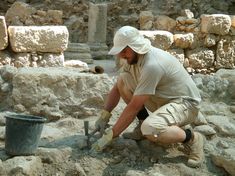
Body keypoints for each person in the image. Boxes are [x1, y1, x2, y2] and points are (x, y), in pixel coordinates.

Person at [91, 26, 204, 168]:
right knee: (122, 80)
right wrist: (104, 115)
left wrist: (110, 136)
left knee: (151, 128)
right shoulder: (133, 59)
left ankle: (192, 138)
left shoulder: (152, 65)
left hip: (185, 104)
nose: (121, 56)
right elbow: (117, 88)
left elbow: (133, 107)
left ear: (135, 47)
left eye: (124, 51)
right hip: (163, 99)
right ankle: (144, 124)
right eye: (120, 52)